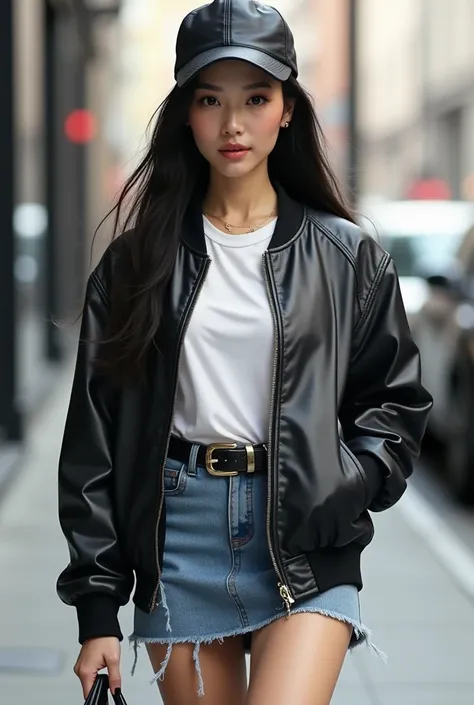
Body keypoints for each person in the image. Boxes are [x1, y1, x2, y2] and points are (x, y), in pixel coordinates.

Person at [56, 1, 433, 704]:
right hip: (178, 533)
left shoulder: (347, 256)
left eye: (255, 98)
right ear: (186, 114)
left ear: (286, 108)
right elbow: (94, 442)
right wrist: (97, 607)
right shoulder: (136, 265)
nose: (233, 124)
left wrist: (342, 482)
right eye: (210, 100)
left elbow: (397, 404)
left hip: (305, 536)